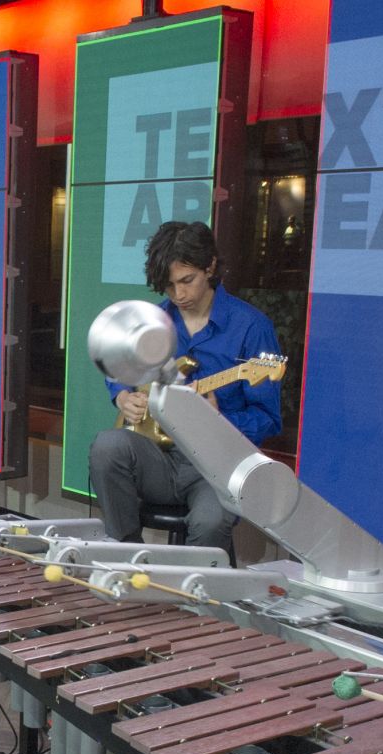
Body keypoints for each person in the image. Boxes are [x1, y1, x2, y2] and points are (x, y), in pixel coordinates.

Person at [88, 221, 282, 551]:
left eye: (187, 281)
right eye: (169, 286)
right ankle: (127, 559)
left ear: (210, 266)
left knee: (209, 524)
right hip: (159, 458)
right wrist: (121, 396)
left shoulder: (252, 327)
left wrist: (220, 421)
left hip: (215, 467)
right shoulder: (154, 321)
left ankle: (190, 599)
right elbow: (117, 370)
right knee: (107, 446)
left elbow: (269, 419)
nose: (179, 295)